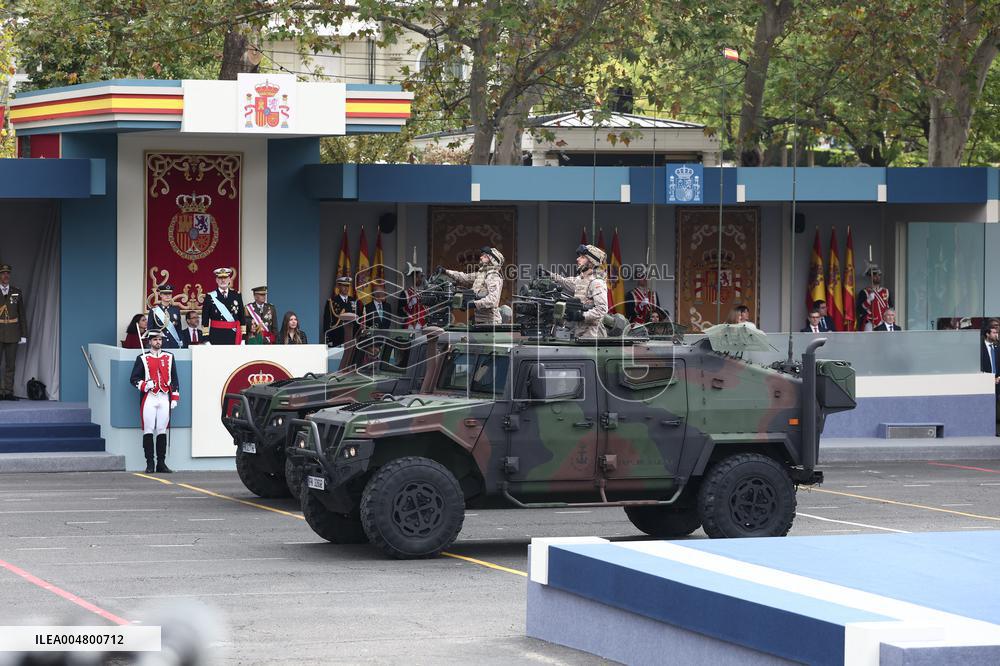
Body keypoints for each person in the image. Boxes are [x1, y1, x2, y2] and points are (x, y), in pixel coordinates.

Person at [129, 330, 178, 474]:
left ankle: (161, 463)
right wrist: (144, 385)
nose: (158, 342)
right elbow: (133, 379)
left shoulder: (169, 357)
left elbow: (174, 379)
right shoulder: (142, 358)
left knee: (162, 430)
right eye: (155, 339)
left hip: (164, 397)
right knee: (148, 430)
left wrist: (174, 397)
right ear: (149, 341)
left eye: (160, 339)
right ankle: (150, 463)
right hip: (149, 398)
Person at [550, 244, 609, 338]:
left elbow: (602, 309)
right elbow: (565, 282)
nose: (578, 259)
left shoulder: (596, 282)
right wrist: (550, 275)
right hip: (580, 332)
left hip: (593, 335)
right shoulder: (581, 279)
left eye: (582, 257)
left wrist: (581, 315)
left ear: (591, 262)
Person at [442, 246, 504, 325]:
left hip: (491, 322)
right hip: (481, 321)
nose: (481, 257)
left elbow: (492, 300)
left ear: (492, 260)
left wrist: (473, 304)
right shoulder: (482, 274)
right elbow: (464, 277)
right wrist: (446, 271)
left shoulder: (493, 276)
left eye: (485, 256)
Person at [0, 264, 27, 400]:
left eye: (7, 273)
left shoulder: (16, 292)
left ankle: (8, 392)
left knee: (10, 365)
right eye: (3, 273)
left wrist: (24, 334)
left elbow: (21, 313)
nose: (5, 276)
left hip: (13, 332)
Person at [201, 267, 246, 345]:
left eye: (225, 278)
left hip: (233, 335)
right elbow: (205, 319)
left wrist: (243, 338)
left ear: (229, 279)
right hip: (216, 335)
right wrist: (206, 339)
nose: (223, 280)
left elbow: (241, 316)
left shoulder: (236, 295)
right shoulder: (210, 296)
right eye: (220, 278)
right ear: (216, 280)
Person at [857, 263, 892, 331]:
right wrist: (868, 301)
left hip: (884, 322)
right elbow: (860, 310)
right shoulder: (864, 292)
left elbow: (890, 308)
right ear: (870, 277)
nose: (877, 277)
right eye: (875, 275)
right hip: (870, 322)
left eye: (879, 275)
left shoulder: (886, 291)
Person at [147, 284, 183, 349]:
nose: (167, 295)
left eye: (169, 293)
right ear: (160, 295)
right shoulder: (154, 310)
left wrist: (180, 341)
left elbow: (179, 329)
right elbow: (150, 329)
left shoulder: (176, 310)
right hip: (160, 344)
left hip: (174, 343)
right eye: (165, 293)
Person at [980, 319, 1000, 436]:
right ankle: (987, 430)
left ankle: (996, 431)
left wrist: (998, 378)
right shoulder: (980, 348)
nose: (996, 334)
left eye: (996, 332)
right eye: (993, 332)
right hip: (985, 383)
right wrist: (988, 379)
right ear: (987, 334)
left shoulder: (997, 348)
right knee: (987, 407)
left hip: (998, 382)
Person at [325, 276, 357, 347]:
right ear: (339, 286)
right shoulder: (332, 301)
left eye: (347, 286)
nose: (346, 288)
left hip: (351, 337)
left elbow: (357, 320)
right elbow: (327, 321)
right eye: (344, 286)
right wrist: (328, 339)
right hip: (336, 337)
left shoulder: (354, 301)